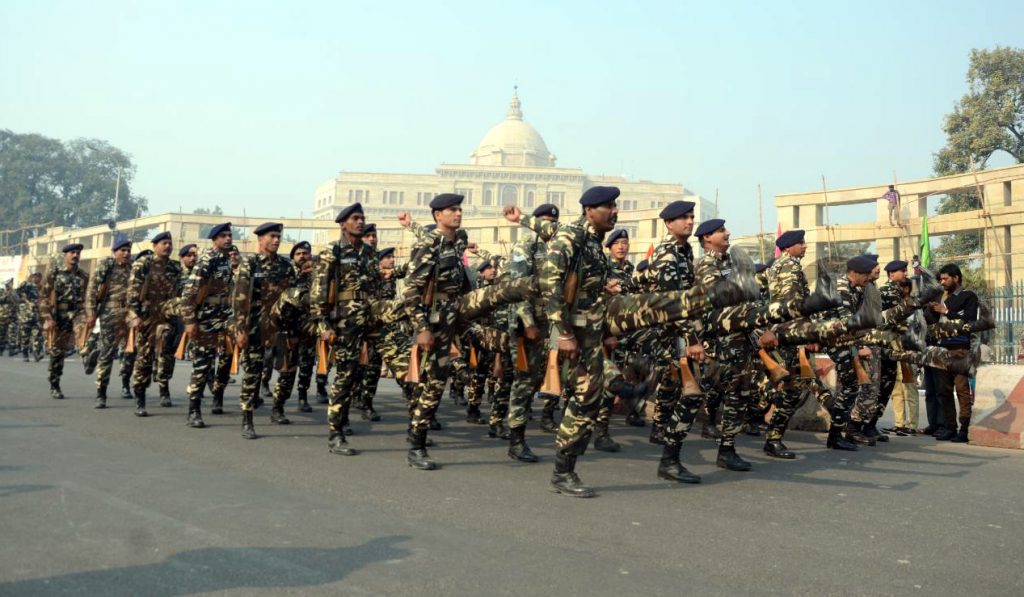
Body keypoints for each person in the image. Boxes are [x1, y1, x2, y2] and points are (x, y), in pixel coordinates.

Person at [232, 222, 296, 439]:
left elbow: (293, 297)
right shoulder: (250, 264)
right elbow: (240, 299)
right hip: (256, 327)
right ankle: (247, 419)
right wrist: (240, 329)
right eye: (272, 236)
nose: (276, 240)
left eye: (278, 236)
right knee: (253, 372)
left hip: (281, 327)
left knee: (287, 371)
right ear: (260, 239)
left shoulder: (286, 266)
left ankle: (278, 408)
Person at [180, 223, 236, 428]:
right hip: (207, 318)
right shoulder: (207, 260)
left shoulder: (227, 260)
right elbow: (188, 294)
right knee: (203, 363)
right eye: (223, 236)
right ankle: (193, 410)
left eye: (229, 235)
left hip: (225, 315)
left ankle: (218, 396)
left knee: (227, 358)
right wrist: (190, 322)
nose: (228, 239)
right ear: (215, 240)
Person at [127, 232, 183, 414]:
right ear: (155, 245)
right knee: (144, 358)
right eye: (164, 243)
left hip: (167, 313)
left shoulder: (175, 267)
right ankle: (140, 399)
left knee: (166, 353)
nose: (168, 246)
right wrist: (134, 315)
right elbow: (133, 290)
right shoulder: (143, 264)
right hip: (147, 315)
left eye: (170, 243)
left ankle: (164, 387)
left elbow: (180, 292)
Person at [926, 264, 978, 442]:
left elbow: (969, 319)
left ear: (956, 278)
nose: (942, 282)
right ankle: (950, 427)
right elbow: (930, 321)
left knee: (962, 389)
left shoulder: (967, 296)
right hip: (941, 349)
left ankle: (964, 429)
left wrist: (946, 311)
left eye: (946, 278)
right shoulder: (940, 296)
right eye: (941, 279)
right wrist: (930, 308)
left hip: (959, 349)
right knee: (943, 391)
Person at [85, 237, 133, 408]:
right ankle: (101, 393)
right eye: (123, 250)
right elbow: (92, 288)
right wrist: (91, 312)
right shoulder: (107, 265)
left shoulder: (133, 267)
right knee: (107, 353)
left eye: (128, 250)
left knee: (130, 352)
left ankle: (126, 385)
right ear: (115, 252)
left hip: (129, 315)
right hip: (110, 314)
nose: (126, 253)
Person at [39, 244, 89, 400]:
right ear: (65, 255)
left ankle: (87, 357)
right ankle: (55, 384)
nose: (75, 255)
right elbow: (43, 297)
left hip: (79, 313)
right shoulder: (54, 273)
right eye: (72, 253)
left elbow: (89, 296)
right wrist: (48, 317)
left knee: (86, 335)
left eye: (78, 253)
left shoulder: (84, 276)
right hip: (59, 315)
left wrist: (92, 313)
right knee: (57, 353)